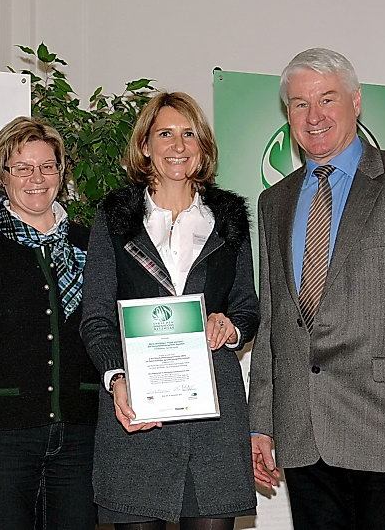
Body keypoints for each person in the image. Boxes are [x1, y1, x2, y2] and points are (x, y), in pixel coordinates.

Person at [248, 48, 385, 530]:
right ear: (288, 113)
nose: (314, 115)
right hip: (304, 432)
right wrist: (261, 422)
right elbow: (272, 322)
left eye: (327, 99)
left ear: (355, 101)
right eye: (300, 103)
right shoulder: (274, 201)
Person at [81, 92, 259, 530]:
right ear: (145, 145)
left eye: (189, 134)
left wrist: (231, 326)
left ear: (203, 146)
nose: (178, 146)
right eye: (165, 134)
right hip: (137, 411)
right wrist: (116, 378)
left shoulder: (229, 218)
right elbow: (97, 316)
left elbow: (247, 307)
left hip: (213, 417)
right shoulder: (115, 218)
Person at [0, 116, 99, 530]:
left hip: (82, 436)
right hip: (1, 440)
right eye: (22, 167)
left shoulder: (92, 244)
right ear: (2, 176)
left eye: (47, 166)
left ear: (61, 173)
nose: (36, 178)